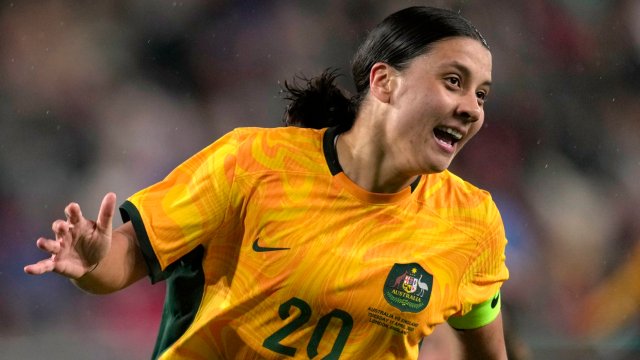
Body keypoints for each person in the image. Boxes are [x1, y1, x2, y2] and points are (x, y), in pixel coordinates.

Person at [24, 6, 509, 359]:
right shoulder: (253, 162)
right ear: (384, 82)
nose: (472, 108)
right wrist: (91, 260)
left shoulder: (471, 223)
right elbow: (122, 262)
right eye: (453, 81)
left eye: (481, 93)